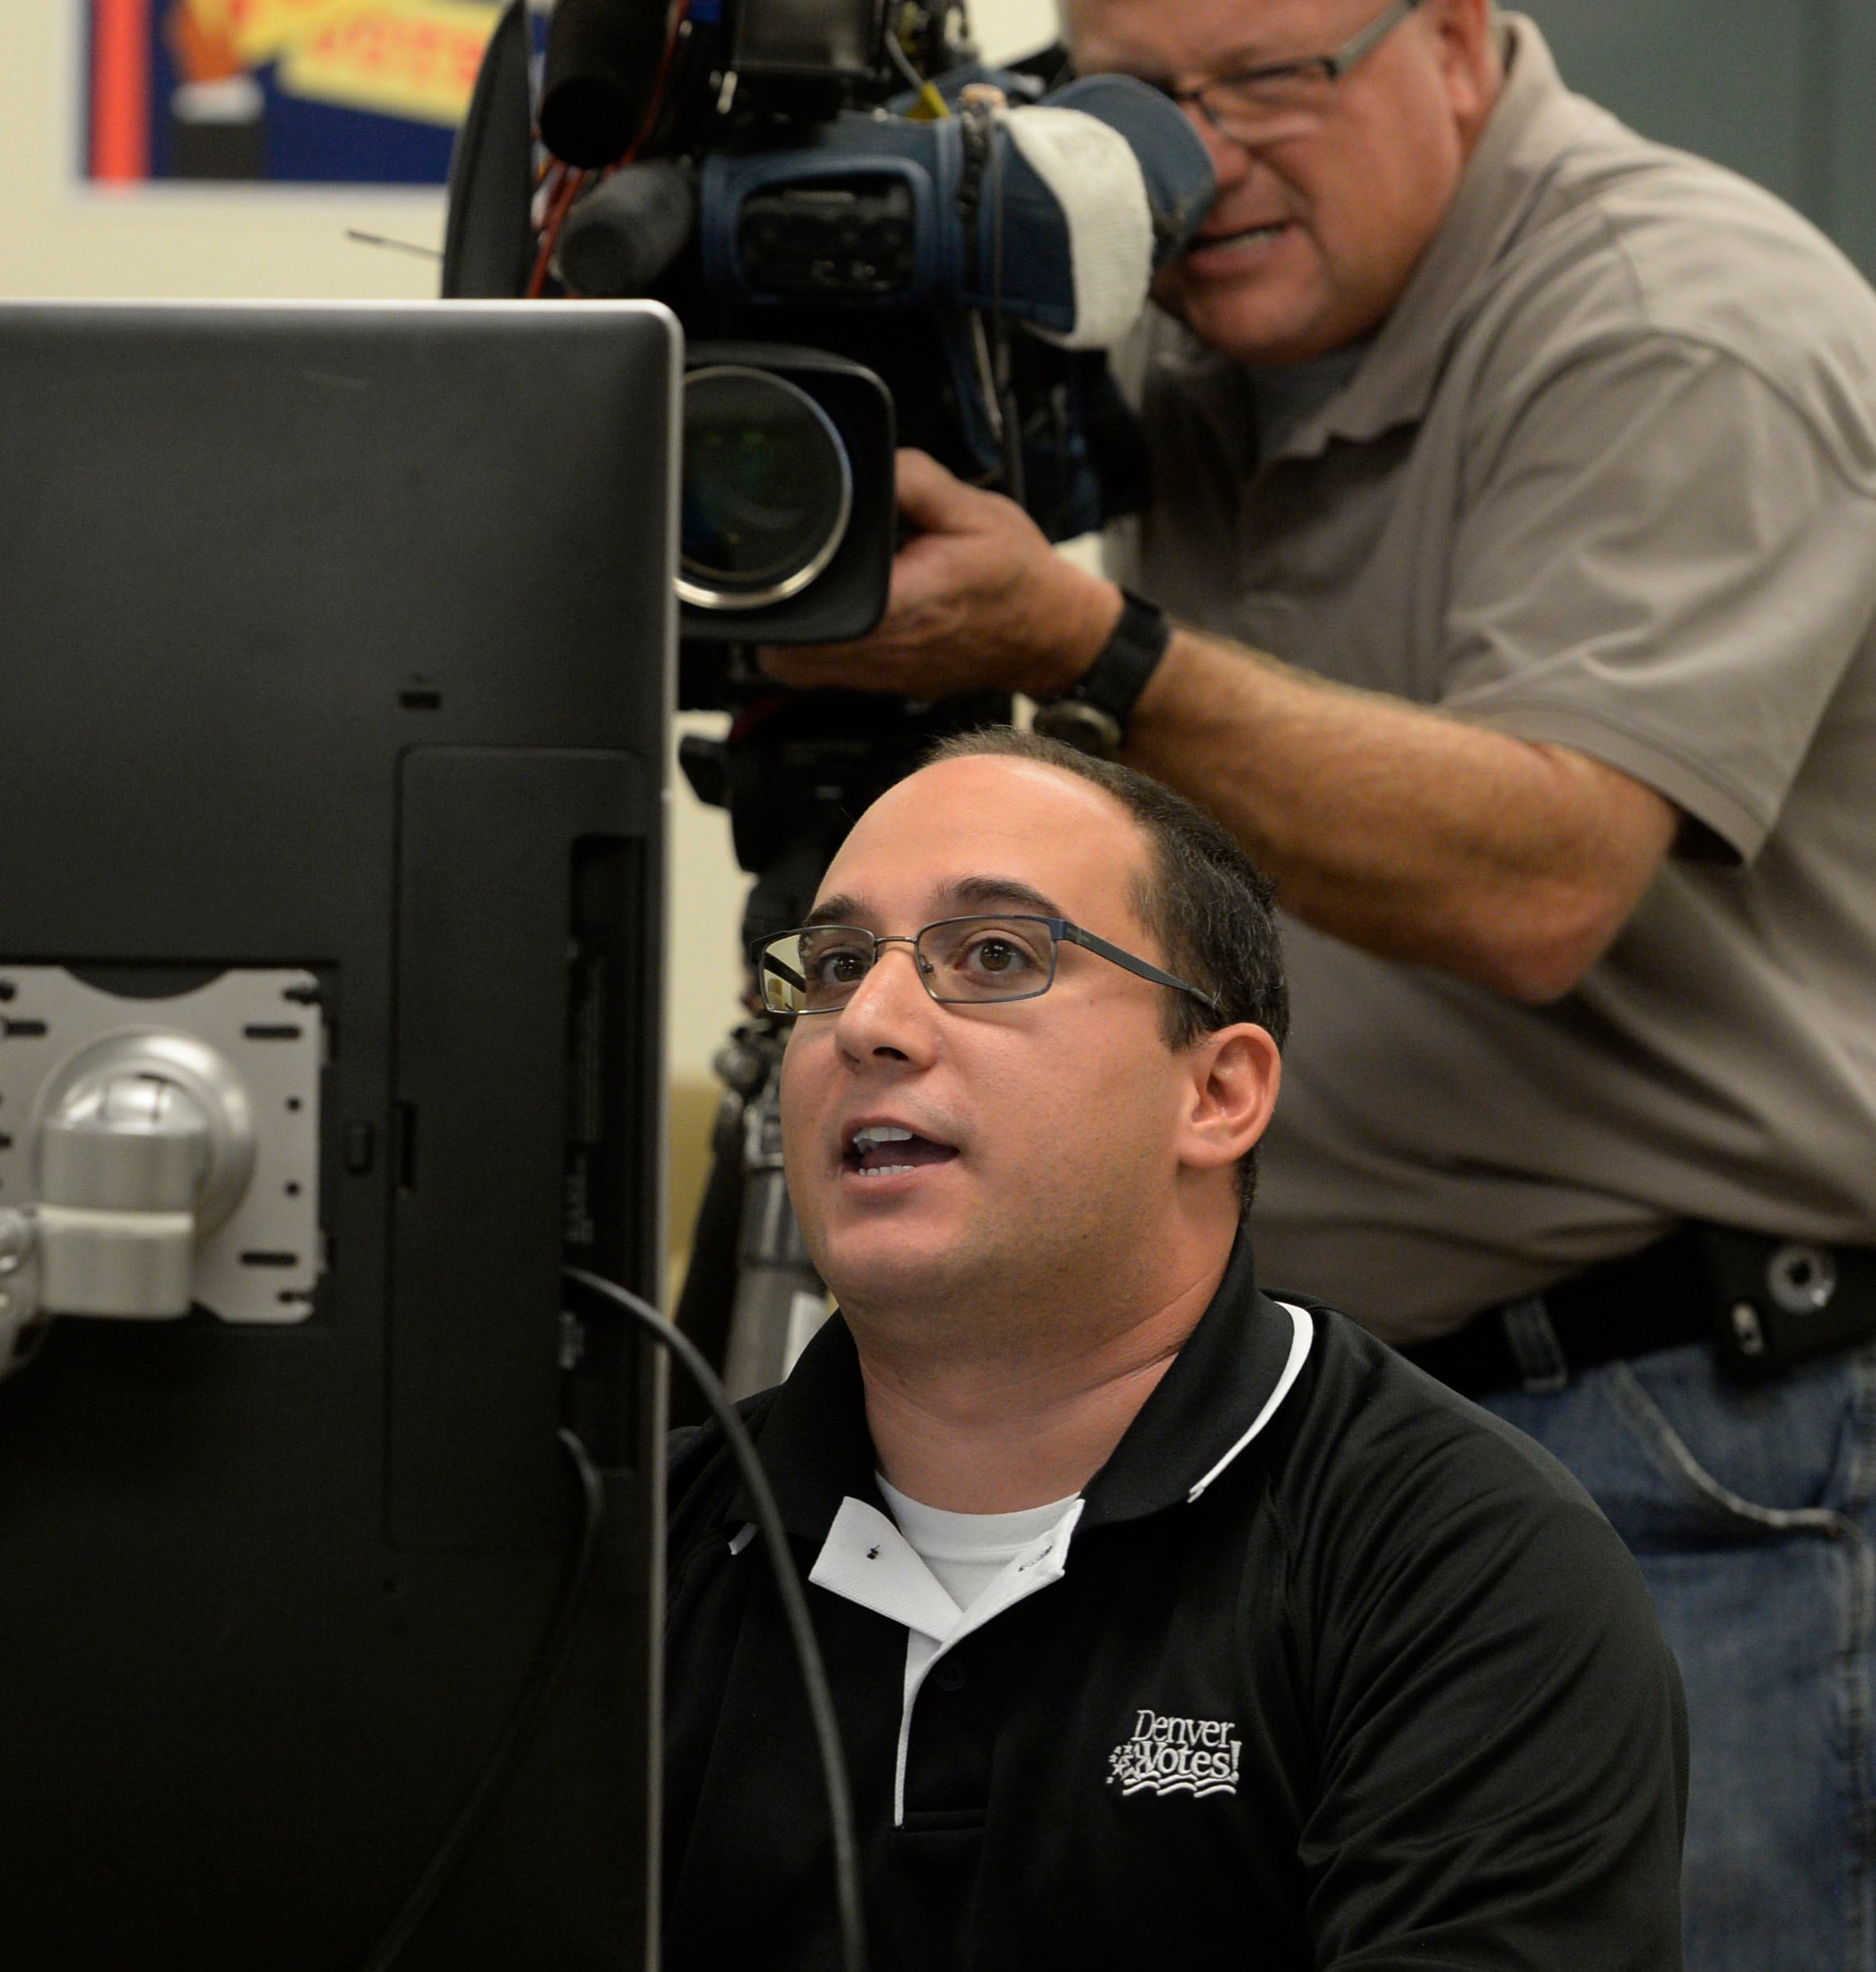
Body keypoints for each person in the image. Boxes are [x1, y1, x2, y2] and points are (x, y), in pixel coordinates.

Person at [755, 0, 1876, 1958]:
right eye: (1130, 94)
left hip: (1687, 1445)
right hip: (1298, 1443)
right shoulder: (1170, 334)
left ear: (1454, 37)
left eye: (1270, 80)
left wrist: (1087, 636)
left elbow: (1539, 877)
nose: (1194, 163)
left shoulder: (1677, 330)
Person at [666, 730, 1685, 1966]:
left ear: (1216, 1095)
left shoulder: (1455, 1564)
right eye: (829, 966)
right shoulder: (644, 1551)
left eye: (992, 955)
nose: (867, 1022)